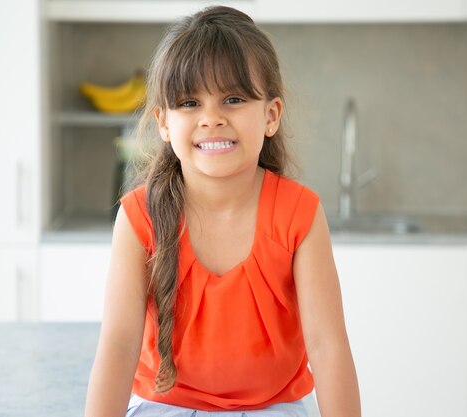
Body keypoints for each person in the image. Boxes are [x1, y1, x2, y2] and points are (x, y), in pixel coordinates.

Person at [84, 5, 360, 417]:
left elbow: (327, 345)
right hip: (165, 408)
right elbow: (119, 343)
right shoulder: (139, 217)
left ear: (270, 115)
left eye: (232, 99)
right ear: (163, 122)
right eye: (190, 103)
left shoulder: (299, 214)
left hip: (274, 409)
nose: (211, 119)